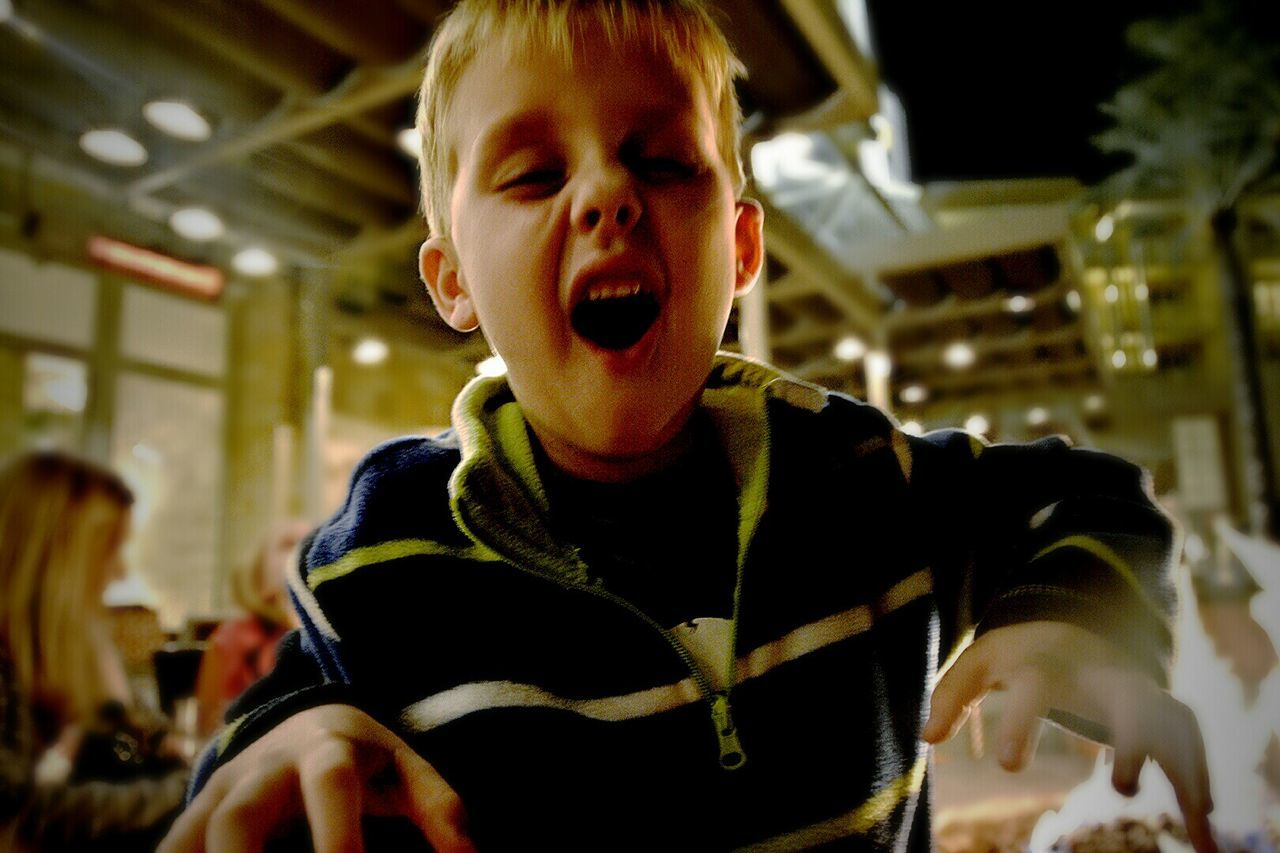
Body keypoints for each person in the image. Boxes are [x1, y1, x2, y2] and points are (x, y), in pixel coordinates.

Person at [163, 2, 1217, 850]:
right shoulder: (385, 549)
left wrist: (1066, 611)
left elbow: (1087, 495)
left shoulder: (859, 474)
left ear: (741, 247)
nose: (607, 193)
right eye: (532, 173)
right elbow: (279, 724)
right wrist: (290, 735)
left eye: (662, 161)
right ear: (451, 281)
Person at [0, 450, 188, 852]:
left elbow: (142, 729)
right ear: (52, 556)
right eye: (108, 549)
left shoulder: (79, 643)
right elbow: (21, 816)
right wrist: (184, 789)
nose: (120, 572)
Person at [194, 520, 308, 737]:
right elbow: (208, 734)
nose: (305, 547)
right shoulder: (231, 640)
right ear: (260, 577)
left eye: (313, 539)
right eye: (288, 543)